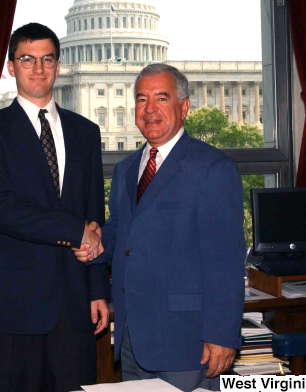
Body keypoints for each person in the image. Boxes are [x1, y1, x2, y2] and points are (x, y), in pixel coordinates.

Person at [74, 63, 246, 391]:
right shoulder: (126, 169)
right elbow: (121, 233)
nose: (149, 109)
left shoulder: (212, 168)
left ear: (183, 107)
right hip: (132, 339)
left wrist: (222, 334)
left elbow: (224, 261)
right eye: (141, 99)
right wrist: (95, 242)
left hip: (188, 342)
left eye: (161, 98)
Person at [0, 22, 109, 392]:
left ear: (59, 65)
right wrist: (73, 230)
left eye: (47, 59)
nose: (39, 68)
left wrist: (97, 289)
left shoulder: (86, 132)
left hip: (75, 306)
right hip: (12, 309)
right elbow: (0, 208)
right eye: (27, 59)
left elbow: (95, 216)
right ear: (10, 67)